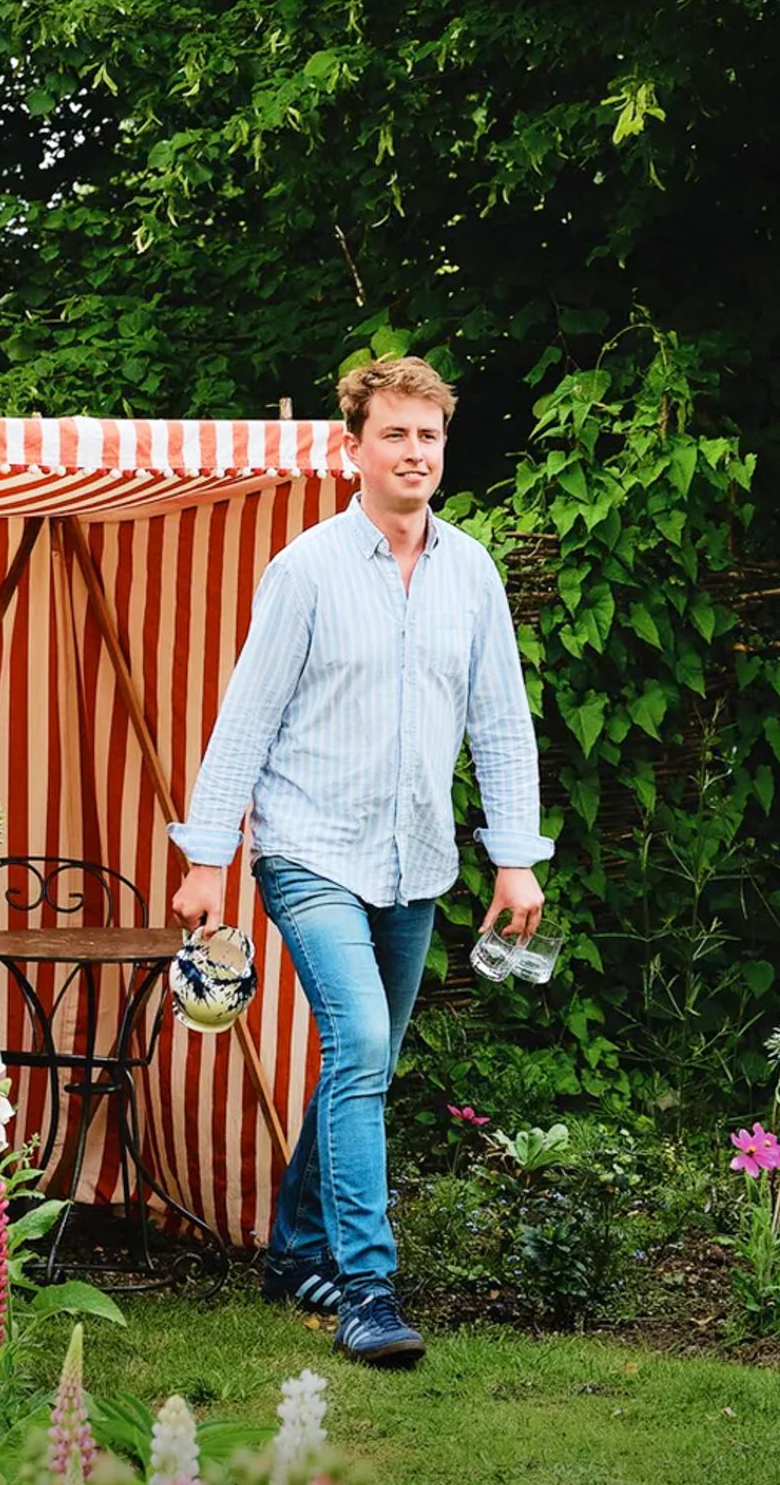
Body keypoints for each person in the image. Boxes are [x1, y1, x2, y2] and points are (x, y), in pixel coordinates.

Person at [168, 356, 550, 1366]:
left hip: (415, 859)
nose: (414, 453)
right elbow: (244, 721)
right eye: (395, 434)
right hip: (308, 847)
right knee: (366, 1050)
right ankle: (367, 1289)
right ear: (354, 449)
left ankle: (294, 1248)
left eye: (428, 436)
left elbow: (501, 726)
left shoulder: (472, 573)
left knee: (359, 1056)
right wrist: (209, 859)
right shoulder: (305, 571)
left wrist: (514, 859)